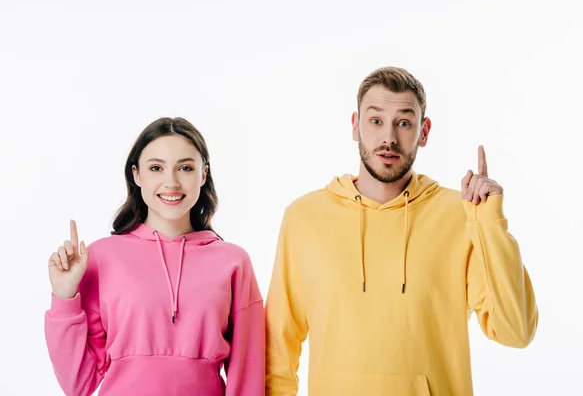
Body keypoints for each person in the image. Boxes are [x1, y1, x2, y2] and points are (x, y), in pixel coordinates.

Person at [265, 67, 538, 395]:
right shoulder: (304, 218)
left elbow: (516, 331)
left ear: (424, 132)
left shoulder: (460, 216)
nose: (389, 138)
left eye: (404, 122)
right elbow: (278, 347)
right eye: (376, 120)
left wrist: (489, 223)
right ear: (356, 126)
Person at [44, 117, 265, 396]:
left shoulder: (233, 262)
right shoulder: (101, 257)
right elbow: (78, 384)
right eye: (156, 168)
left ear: (203, 174)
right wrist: (64, 298)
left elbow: (248, 374)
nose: (170, 182)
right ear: (137, 175)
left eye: (185, 168)